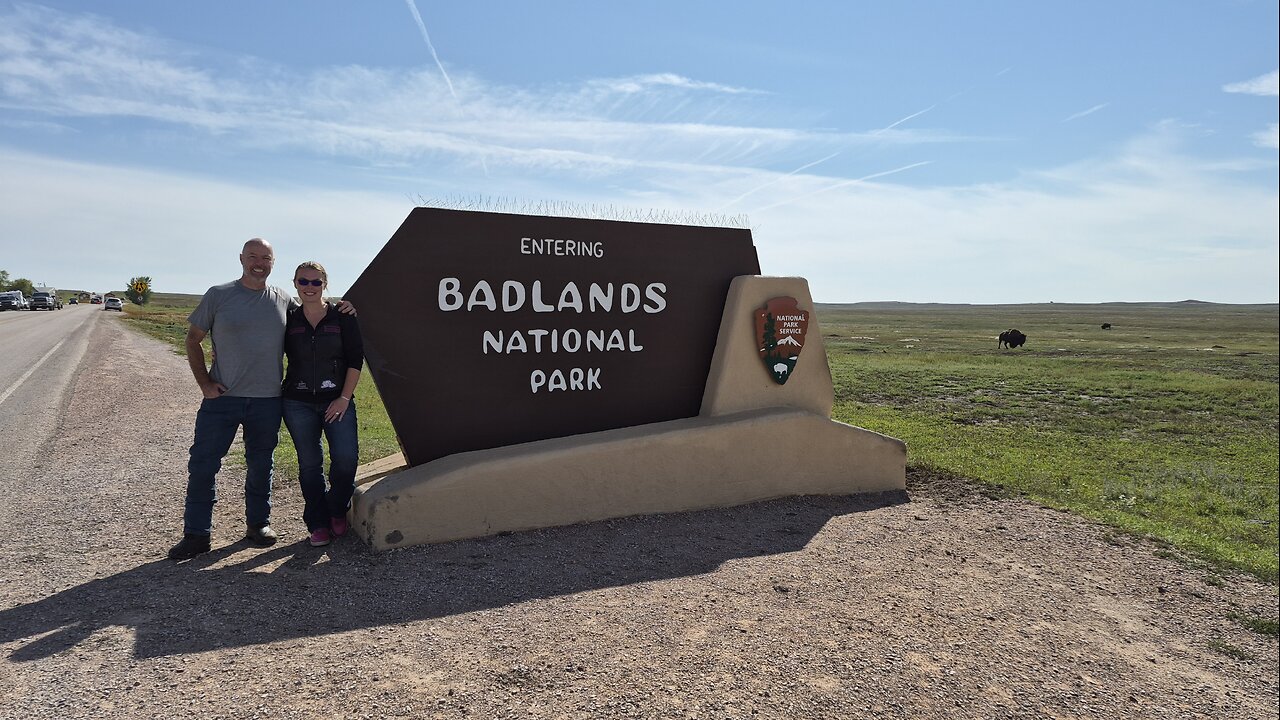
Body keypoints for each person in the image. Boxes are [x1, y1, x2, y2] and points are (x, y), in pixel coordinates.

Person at [168, 239, 353, 561]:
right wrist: (204, 383)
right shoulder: (218, 295)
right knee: (203, 464)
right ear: (241, 258)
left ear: (273, 263)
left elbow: (315, 308)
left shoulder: (282, 300)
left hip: (268, 400)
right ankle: (196, 534)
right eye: (253, 256)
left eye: (265, 258)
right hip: (222, 399)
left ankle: (258, 524)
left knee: (261, 463)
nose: (259, 263)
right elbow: (193, 340)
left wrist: (343, 307)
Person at [281, 261, 363, 547]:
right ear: (295, 283)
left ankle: (337, 509)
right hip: (297, 403)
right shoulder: (288, 318)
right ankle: (317, 523)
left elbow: (355, 360)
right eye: (303, 281)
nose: (309, 287)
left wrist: (344, 398)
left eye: (316, 282)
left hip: (337, 400)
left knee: (346, 459)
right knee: (309, 465)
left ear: (325, 285)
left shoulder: (342, 316)